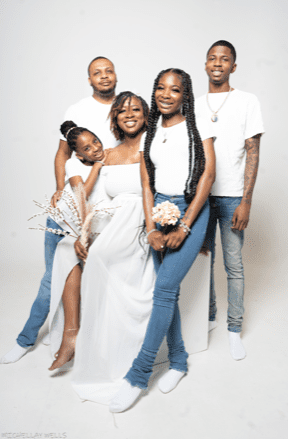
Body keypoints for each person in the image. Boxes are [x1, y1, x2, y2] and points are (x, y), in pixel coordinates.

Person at [109, 68, 216, 413]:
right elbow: (145, 184)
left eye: (174, 89)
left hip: (191, 211)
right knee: (168, 294)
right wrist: (151, 226)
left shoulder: (200, 127)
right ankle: (180, 360)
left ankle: (138, 375)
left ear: (186, 95)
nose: (165, 94)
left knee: (164, 289)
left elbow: (208, 176)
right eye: (160, 88)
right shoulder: (151, 131)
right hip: (159, 212)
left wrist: (185, 225)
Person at [0, 57, 118, 365]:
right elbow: (62, 156)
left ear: (116, 75)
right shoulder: (77, 110)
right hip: (68, 211)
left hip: (99, 216)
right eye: (97, 72)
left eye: (109, 70)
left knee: (91, 281)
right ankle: (26, 339)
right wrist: (58, 185)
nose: (104, 76)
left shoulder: (125, 110)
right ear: (89, 79)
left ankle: (82, 339)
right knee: (52, 279)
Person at [49, 93, 155, 405]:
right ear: (114, 120)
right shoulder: (106, 155)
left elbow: (153, 189)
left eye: (136, 109)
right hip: (111, 219)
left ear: (145, 115)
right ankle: (74, 334)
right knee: (74, 250)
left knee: (97, 256)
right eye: (122, 111)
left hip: (140, 219)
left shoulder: (153, 148)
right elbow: (89, 194)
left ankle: (110, 345)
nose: (129, 115)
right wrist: (87, 231)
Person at [195, 40, 265, 360]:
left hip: (233, 195)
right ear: (206, 64)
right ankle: (208, 318)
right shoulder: (194, 104)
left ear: (233, 67)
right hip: (201, 196)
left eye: (225, 59)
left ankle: (234, 328)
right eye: (213, 58)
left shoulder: (247, 101)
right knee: (203, 261)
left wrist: (246, 201)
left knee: (233, 266)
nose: (218, 63)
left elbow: (253, 151)